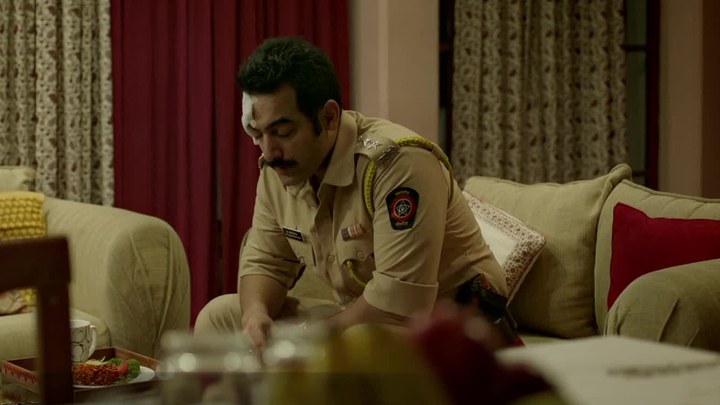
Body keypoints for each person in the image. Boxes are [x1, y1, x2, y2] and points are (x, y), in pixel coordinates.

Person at [194, 36, 511, 349]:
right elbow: (266, 263)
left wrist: (305, 339)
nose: (269, 151)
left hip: (444, 327)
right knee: (219, 317)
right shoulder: (281, 169)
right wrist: (255, 316)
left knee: (354, 343)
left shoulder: (398, 164)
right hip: (360, 319)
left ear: (329, 117)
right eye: (259, 133)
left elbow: (400, 305)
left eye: (283, 132)